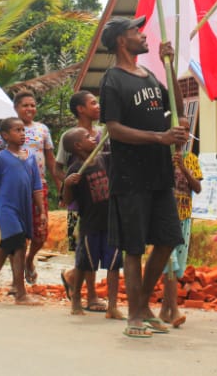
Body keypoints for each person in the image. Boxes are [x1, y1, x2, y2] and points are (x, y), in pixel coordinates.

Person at [98, 15, 189, 339]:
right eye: (136, 30)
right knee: (133, 247)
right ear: (122, 40)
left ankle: (142, 307)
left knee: (167, 239)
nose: (142, 34)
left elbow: (176, 106)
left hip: (159, 174)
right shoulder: (112, 80)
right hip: (130, 175)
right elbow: (113, 128)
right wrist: (159, 139)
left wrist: (170, 67)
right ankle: (135, 316)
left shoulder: (149, 74)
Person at [0, 117, 44, 305]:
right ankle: (20, 293)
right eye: (17, 130)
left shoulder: (30, 157)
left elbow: (36, 187)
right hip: (6, 208)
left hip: (24, 207)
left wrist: (42, 210)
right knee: (17, 244)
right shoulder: (0, 158)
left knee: (10, 246)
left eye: (23, 130)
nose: (22, 134)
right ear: (5, 135)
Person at [60, 127, 124, 320]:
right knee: (84, 264)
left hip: (111, 222)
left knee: (113, 265)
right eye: (88, 137)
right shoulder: (75, 169)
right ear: (78, 146)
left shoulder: (105, 158)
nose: (93, 137)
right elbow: (68, 200)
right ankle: (77, 299)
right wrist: (69, 184)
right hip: (90, 224)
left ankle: (113, 306)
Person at [0, 91, 55, 285]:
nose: (30, 109)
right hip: (14, 188)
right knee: (17, 235)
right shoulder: (5, 129)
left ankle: (29, 260)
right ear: (16, 108)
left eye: (33, 105)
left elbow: (51, 159)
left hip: (39, 186)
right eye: (25, 105)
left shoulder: (42, 129)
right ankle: (16, 279)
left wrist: (60, 185)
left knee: (40, 234)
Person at [56, 90, 107, 310]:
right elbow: (59, 167)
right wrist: (68, 189)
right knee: (84, 250)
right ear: (81, 109)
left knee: (93, 249)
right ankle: (90, 294)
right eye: (93, 103)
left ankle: (74, 279)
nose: (98, 107)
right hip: (79, 202)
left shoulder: (103, 133)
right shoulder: (71, 136)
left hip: (100, 198)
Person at [159, 142, 202, 328]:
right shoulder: (161, 157)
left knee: (175, 268)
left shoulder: (191, 159)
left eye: (185, 131)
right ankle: (174, 309)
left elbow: (197, 188)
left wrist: (183, 168)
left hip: (184, 218)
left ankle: (163, 311)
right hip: (165, 218)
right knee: (169, 262)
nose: (182, 134)